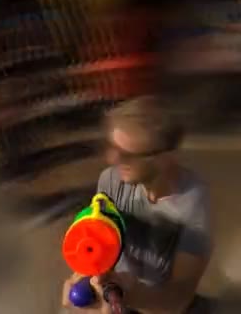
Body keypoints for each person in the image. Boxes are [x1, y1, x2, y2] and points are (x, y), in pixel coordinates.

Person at [61, 96, 212, 314]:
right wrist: (86, 275)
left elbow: (178, 300)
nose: (113, 159)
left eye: (127, 155)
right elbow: (97, 244)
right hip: (119, 292)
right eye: (112, 147)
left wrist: (128, 296)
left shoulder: (193, 205)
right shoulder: (112, 180)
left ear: (164, 158)